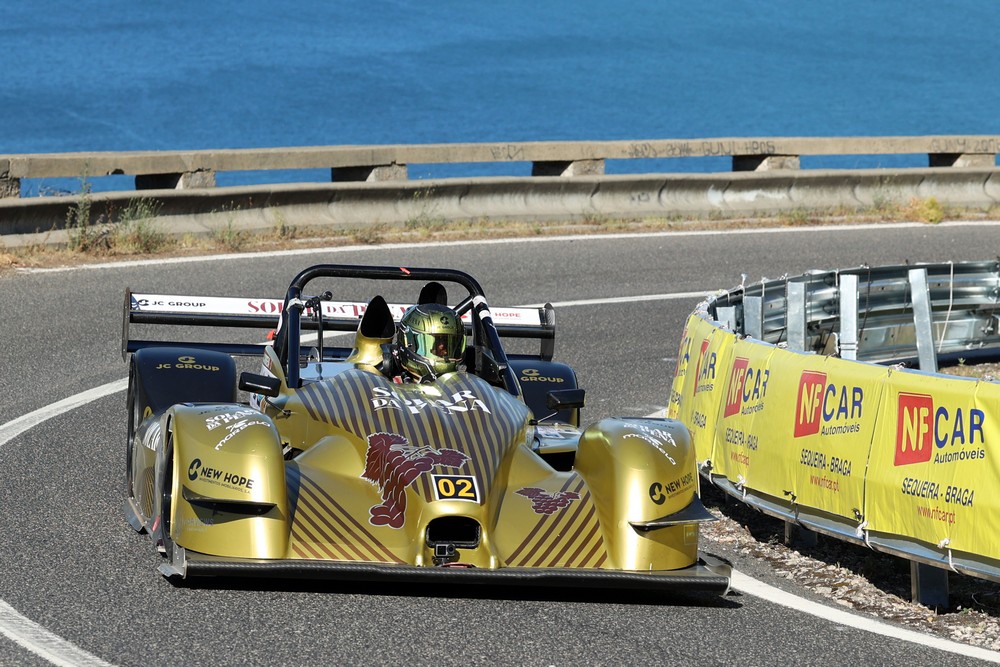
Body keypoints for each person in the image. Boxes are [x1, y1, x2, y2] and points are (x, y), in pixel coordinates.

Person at [391, 302, 466, 383]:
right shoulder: (390, 387)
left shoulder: (466, 383)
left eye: (448, 343)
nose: (442, 347)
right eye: (436, 342)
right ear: (408, 342)